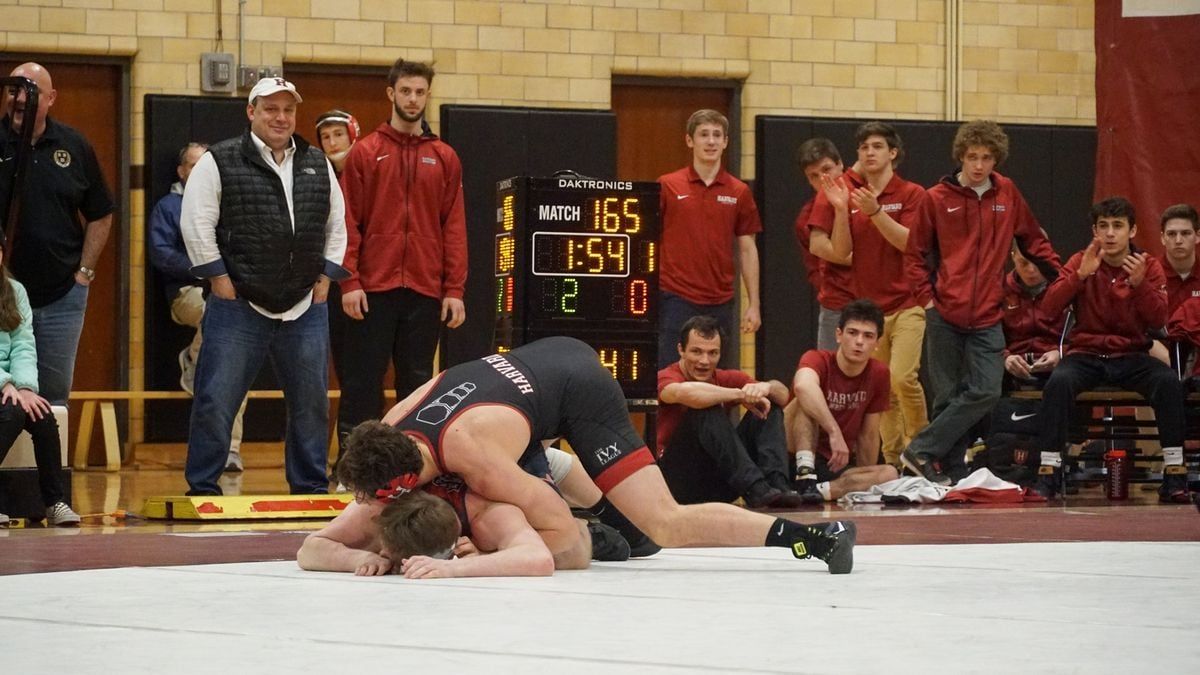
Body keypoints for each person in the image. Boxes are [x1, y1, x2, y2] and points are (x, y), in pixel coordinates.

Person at [336, 336, 858, 574]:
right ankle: (618, 529)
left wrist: (489, 559)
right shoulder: (391, 427)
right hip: (547, 352)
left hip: (579, 391)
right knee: (629, 532)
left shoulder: (475, 456)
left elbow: (561, 540)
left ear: (402, 481)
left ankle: (815, 540)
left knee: (664, 523)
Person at [179, 77, 347, 496]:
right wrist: (218, 278)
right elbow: (195, 221)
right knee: (217, 399)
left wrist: (326, 277)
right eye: (271, 108)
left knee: (310, 403)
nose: (281, 117)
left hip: (306, 304)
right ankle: (202, 487)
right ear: (251, 112)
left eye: (288, 110)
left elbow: (337, 225)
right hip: (238, 303)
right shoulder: (219, 160)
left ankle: (310, 486)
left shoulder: (316, 161)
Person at [901, 120, 1061, 484]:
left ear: (996, 160)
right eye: (972, 157)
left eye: (986, 158)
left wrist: (1061, 276)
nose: (978, 165)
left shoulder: (1007, 194)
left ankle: (920, 450)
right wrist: (927, 300)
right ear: (961, 157)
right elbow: (914, 255)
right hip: (944, 312)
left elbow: (1033, 240)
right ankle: (951, 469)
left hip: (988, 314)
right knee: (947, 397)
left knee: (986, 390)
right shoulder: (935, 198)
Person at [337, 59, 467, 446]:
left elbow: (454, 227)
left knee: (417, 384)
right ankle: (353, 466)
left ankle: (414, 461)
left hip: (425, 291)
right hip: (372, 289)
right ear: (391, 94)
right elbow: (348, 222)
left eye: (420, 91)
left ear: (428, 95)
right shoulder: (364, 153)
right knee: (362, 381)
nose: (413, 99)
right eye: (405, 91)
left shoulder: (445, 157)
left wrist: (454, 289)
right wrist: (349, 281)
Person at [1030, 197, 1189, 503]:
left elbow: (1159, 320)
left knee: (1168, 381)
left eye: (1118, 226)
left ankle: (1174, 472)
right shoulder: (1081, 260)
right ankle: (1048, 472)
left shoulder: (1148, 265)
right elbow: (1048, 309)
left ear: (1132, 231)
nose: (1111, 233)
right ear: (1095, 231)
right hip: (1087, 354)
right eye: (1104, 226)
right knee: (1058, 382)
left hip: (1132, 354)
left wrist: (1141, 284)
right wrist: (1078, 277)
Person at [0, 62, 114, 412]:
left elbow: (101, 213)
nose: (21, 98)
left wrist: (84, 275)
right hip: (2, 295)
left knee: (52, 397)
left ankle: (47, 469)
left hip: (61, 296)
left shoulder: (74, 145)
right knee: (5, 391)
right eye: (14, 89)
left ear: (51, 98)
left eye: (31, 90)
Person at [816, 121, 927, 469]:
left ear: (893, 153)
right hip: (871, 309)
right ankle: (894, 459)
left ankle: (923, 449)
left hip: (910, 301)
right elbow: (840, 248)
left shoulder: (912, 194)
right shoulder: (850, 196)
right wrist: (838, 209)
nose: (869, 153)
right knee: (884, 389)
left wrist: (875, 212)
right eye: (864, 148)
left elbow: (910, 243)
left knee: (903, 377)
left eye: (877, 146)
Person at [147, 142, 246, 473]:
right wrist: (204, 266)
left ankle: (231, 449)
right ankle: (192, 359)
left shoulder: (226, 204)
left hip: (224, 293)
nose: (201, 171)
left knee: (235, 364)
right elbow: (159, 253)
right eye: (193, 165)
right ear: (182, 171)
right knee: (215, 317)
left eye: (207, 165)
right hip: (186, 293)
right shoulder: (168, 206)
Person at [656, 315, 803, 508]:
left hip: (718, 482)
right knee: (705, 406)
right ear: (680, 350)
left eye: (713, 353)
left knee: (769, 404)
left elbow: (783, 395)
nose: (704, 361)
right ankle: (755, 487)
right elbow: (687, 393)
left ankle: (777, 485)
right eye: (696, 352)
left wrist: (766, 387)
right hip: (677, 482)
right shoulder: (666, 376)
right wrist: (738, 394)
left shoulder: (726, 377)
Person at [657, 109, 762, 368]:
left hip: (720, 301)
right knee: (670, 374)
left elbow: (748, 249)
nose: (711, 141)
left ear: (726, 142)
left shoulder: (739, 191)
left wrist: (754, 304)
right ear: (690, 140)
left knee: (716, 376)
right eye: (704, 134)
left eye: (717, 135)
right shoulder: (668, 185)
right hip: (675, 297)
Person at [786, 299, 898, 502]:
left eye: (868, 336)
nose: (859, 341)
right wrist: (833, 431)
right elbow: (803, 386)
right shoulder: (816, 359)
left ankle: (818, 491)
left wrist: (864, 478)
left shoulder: (879, 373)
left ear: (877, 343)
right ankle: (804, 474)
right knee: (805, 399)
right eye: (852, 333)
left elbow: (869, 434)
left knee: (889, 473)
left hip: (833, 462)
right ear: (838, 335)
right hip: (793, 453)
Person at [0, 240, 79, 526]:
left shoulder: (14, 290)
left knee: (42, 415)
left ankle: (54, 502)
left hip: (10, 386)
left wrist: (24, 387)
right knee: (12, 412)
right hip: (2, 386)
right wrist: (4, 384)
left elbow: (23, 344)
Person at [794, 138, 854, 350]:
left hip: (878, 301)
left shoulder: (864, 200)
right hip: (835, 305)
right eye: (814, 176)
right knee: (830, 373)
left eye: (827, 169)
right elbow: (813, 268)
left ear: (841, 165)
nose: (823, 179)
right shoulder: (805, 219)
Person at [1002, 245, 1068, 386]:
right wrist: (1006, 358)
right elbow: (988, 336)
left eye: (1038, 262)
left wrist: (1061, 353)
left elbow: (1084, 336)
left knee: (1068, 376)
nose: (1031, 269)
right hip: (1011, 367)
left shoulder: (1066, 286)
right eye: (1024, 262)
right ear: (1013, 256)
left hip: (1058, 365)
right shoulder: (1000, 289)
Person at [315, 109, 359, 177]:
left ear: (353, 135)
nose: (332, 143)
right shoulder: (317, 175)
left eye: (338, 134)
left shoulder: (368, 171)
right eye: (326, 137)